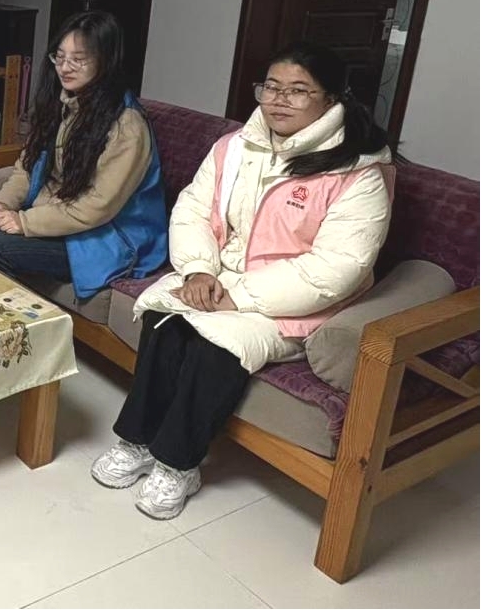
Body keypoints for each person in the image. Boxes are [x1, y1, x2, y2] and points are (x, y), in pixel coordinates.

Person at [91, 40, 394, 521]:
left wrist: (238, 296)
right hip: (221, 276)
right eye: (271, 87)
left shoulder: (358, 172)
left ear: (332, 99)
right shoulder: (235, 147)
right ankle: (138, 441)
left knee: (216, 345)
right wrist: (197, 269)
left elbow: (338, 268)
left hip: (294, 302)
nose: (279, 100)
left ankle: (178, 464)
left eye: (298, 91)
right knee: (165, 320)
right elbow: (193, 209)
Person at [0, 10, 168, 300]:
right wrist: (3, 203)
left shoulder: (126, 125)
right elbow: (27, 167)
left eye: (78, 59)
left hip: (106, 235)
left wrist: (25, 222)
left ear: (105, 61)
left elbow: (97, 206)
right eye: (59, 57)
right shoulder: (61, 103)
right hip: (62, 221)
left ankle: (17, 321)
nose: (65, 68)